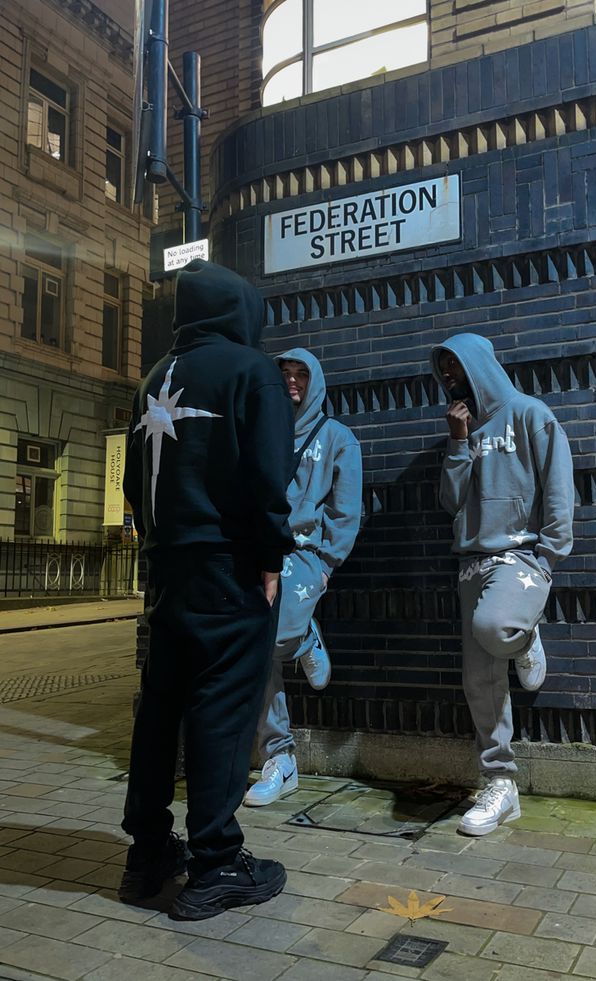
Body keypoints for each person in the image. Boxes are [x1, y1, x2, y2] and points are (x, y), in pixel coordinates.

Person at [119, 259, 295, 920]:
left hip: (166, 567)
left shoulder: (152, 380)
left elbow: (136, 485)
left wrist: (157, 549)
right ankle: (217, 862)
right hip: (229, 567)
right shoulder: (251, 371)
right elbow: (267, 474)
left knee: (160, 710)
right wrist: (271, 557)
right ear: (240, 309)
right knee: (222, 706)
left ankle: (147, 853)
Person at [431, 333, 574, 836]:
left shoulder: (529, 414)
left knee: (495, 626)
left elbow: (558, 485)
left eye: (455, 364)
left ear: (478, 364)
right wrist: (456, 442)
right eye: (442, 368)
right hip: (472, 561)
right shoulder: (461, 426)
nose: (449, 374)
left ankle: (525, 633)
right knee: (480, 683)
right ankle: (501, 785)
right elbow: (451, 501)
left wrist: (549, 555)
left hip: (520, 555)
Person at [245, 348, 362, 806]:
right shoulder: (260, 429)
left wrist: (329, 563)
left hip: (305, 553)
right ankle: (280, 757)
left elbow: (346, 509)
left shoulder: (337, 437)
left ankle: (306, 637)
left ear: (315, 381)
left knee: (279, 634)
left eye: (301, 374)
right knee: (257, 652)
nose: (292, 381)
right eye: (285, 374)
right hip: (259, 552)